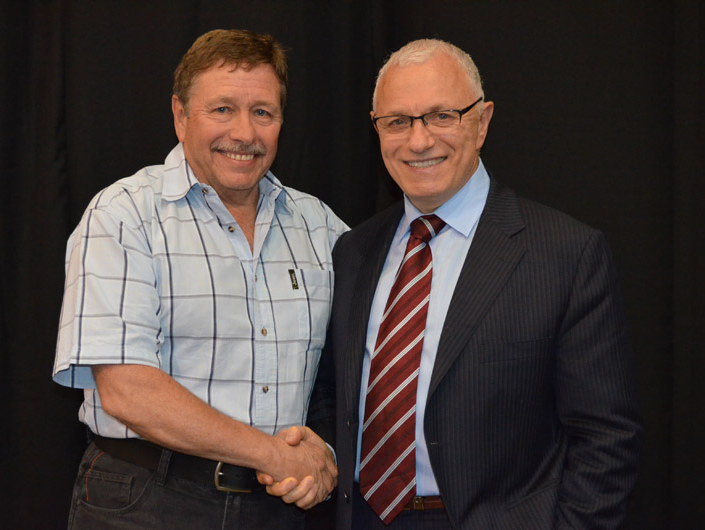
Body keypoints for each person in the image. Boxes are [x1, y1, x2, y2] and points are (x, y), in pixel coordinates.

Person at [268, 38, 642, 529]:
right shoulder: (353, 251)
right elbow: (332, 395)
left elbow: (606, 439)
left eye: (442, 116)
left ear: (482, 122)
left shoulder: (565, 254)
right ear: (377, 129)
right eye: (397, 122)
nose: (418, 141)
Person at [52, 29, 343, 529]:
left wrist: (325, 455)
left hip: (279, 508)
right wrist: (273, 455)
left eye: (263, 112)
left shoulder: (323, 228)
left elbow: (349, 373)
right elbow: (127, 390)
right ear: (180, 115)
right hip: (148, 502)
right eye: (223, 109)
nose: (244, 133)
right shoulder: (123, 216)